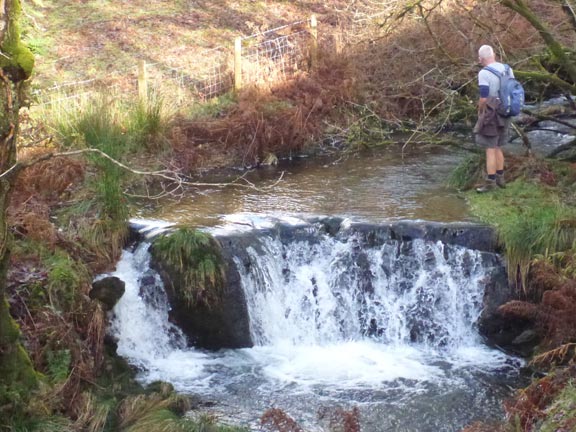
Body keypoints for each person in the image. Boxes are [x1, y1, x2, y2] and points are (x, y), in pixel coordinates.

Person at [474, 44, 512, 193]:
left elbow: (484, 97)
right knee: (498, 146)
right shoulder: (508, 69)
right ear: (494, 54)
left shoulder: (484, 73)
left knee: (490, 148)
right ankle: (500, 178)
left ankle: (490, 183)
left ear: (481, 59)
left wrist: (479, 110)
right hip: (506, 111)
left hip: (491, 113)